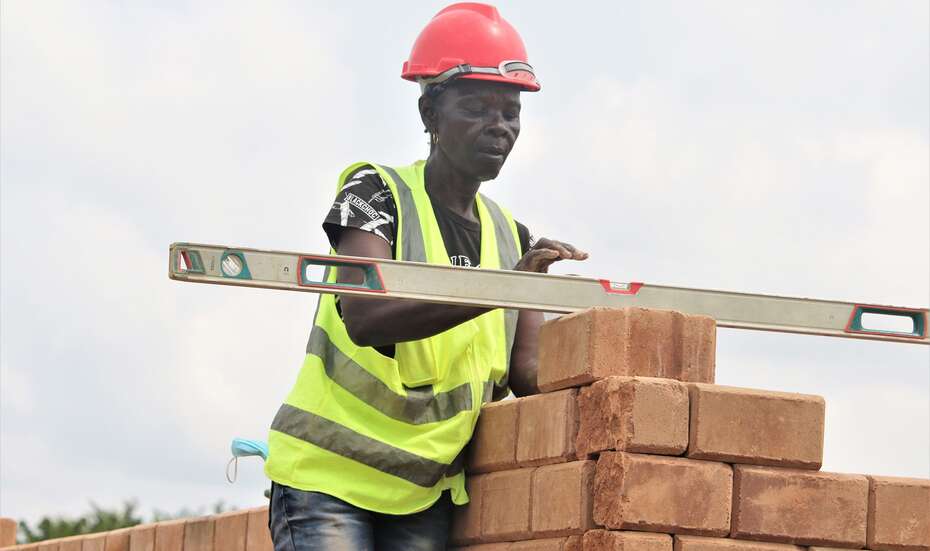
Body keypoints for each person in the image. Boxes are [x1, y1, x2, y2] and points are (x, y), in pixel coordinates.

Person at [264, 3, 588, 550]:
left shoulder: (512, 238)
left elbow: (526, 372)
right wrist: (501, 287)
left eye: (511, 112)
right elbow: (366, 318)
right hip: (328, 478)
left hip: (423, 494)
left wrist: (608, 374)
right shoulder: (374, 195)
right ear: (430, 114)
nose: (500, 126)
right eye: (477, 108)